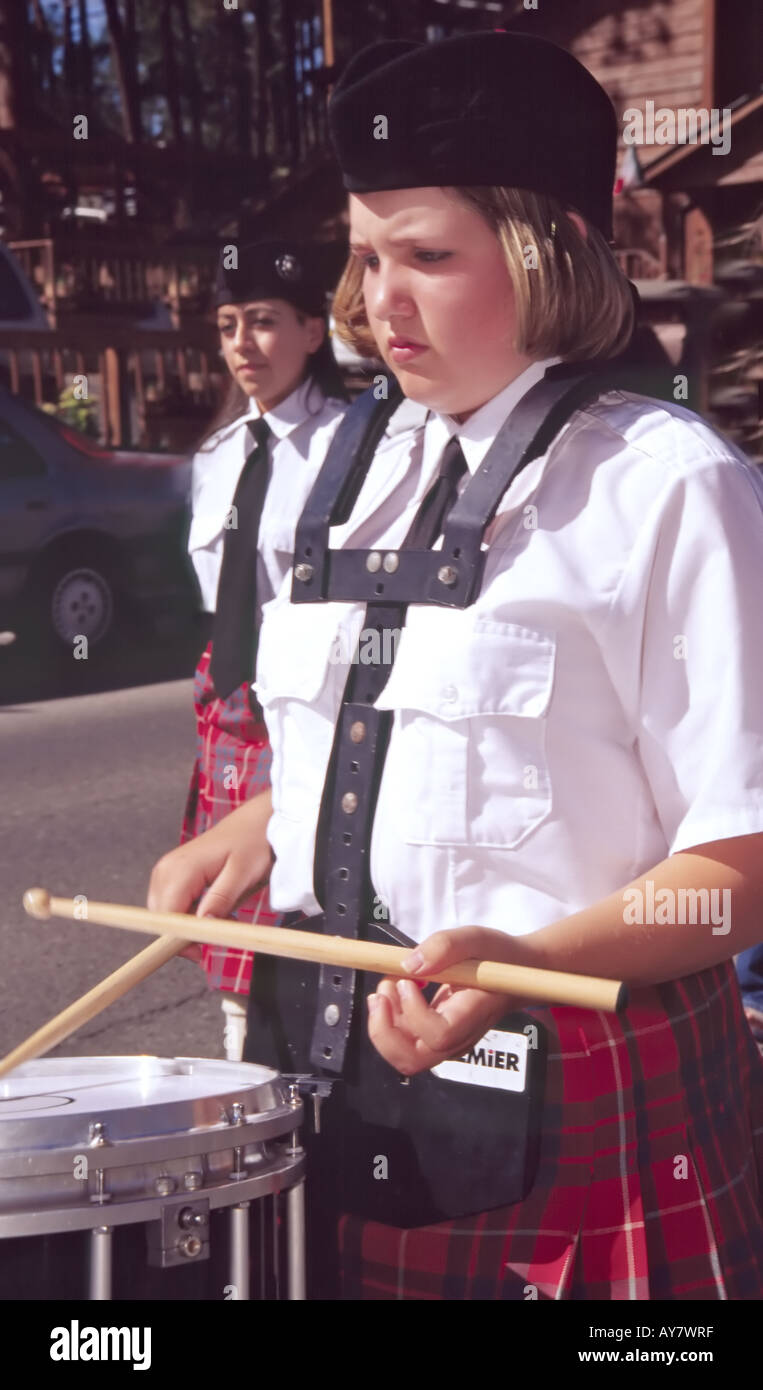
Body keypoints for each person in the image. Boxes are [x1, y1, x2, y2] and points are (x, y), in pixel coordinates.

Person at [149, 32, 763, 1300]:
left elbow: (742, 873)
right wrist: (274, 821)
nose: (381, 299)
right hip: (339, 1098)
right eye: (367, 256)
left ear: (546, 253)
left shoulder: (670, 487)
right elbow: (428, 743)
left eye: (429, 254)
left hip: (578, 1106)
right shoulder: (351, 476)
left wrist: (519, 962)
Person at [151, 240, 347, 1059]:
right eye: (229, 325)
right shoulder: (218, 457)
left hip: (305, 697)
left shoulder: (357, 445)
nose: (241, 344)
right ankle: (242, 1059)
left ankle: (297, 1064)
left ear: (313, 330)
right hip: (230, 702)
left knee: (294, 906)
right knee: (228, 916)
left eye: (264, 323)